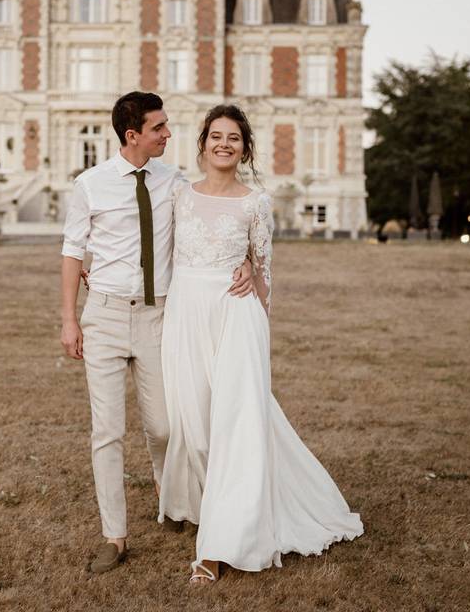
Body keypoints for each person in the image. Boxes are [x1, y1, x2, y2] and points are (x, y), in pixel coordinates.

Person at [157, 104, 364, 584]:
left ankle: (219, 545)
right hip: (186, 315)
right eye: (216, 136)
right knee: (194, 423)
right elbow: (156, 253)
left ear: (245, 148)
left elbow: (265, 270)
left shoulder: (256, 202)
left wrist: (253, 287)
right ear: (203, 144)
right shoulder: (179, 195)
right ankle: (207, 502)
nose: (224, 144)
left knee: (237, 425)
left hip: (237, 316)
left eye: (233, 138)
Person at [59, 93, 254, 574]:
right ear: (133, 136)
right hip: (103, 316)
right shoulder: (91, 185)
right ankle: (115, 536)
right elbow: (71, 251)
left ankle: (171, 501)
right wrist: (69, 318)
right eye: (160, 128)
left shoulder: (176, 183)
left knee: (166, 425)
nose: (169, 134)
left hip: (158, 316)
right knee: (107, 431)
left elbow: (217, 222)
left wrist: (247, 259)